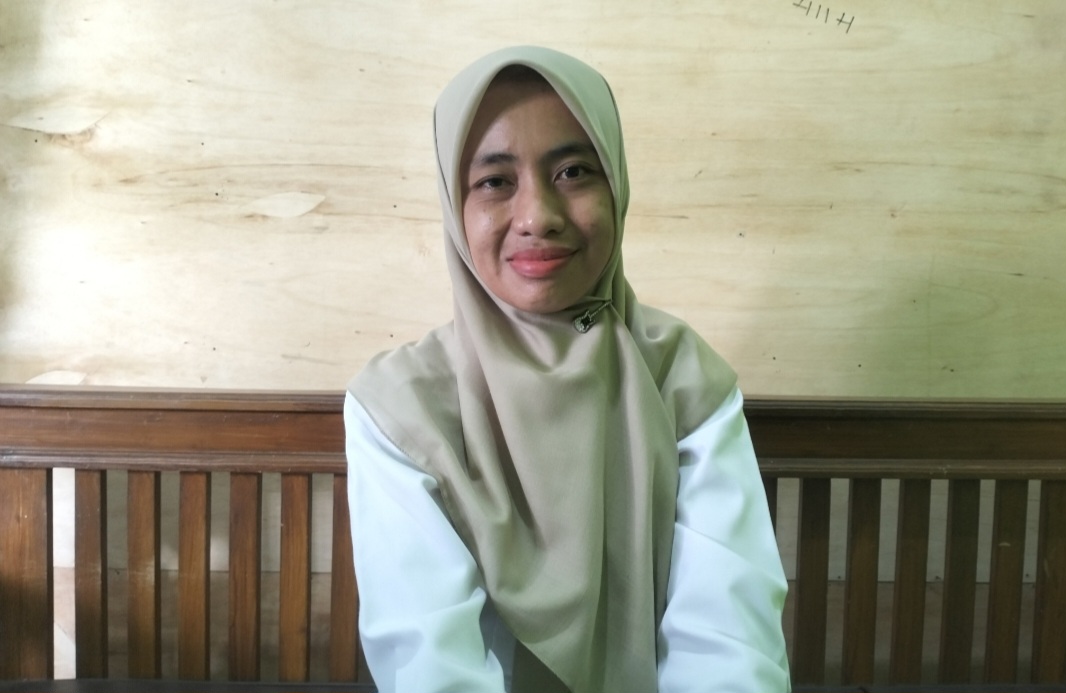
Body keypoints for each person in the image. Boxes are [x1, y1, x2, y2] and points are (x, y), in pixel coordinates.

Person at [345, 45, 791, 693]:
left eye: (574, 171)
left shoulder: (682, 376)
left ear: (617, 184)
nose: (539, 217)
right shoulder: (399, 406)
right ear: (453, 203)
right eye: (495, 181)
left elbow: (727, 640)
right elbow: (433, 662)